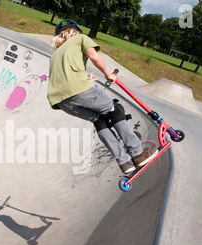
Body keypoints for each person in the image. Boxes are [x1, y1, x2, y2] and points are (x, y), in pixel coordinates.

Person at [47, 20, 158, 174]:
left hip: (62, 101)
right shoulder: (80, 39)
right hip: (80, 90)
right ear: (76, 32)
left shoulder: (55, 55)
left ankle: (125, 163)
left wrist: (85, 80)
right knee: (115, 109)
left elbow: (64, 79)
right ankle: (137, 154)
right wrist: (108, 74)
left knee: (99, 120)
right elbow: (93, 56)